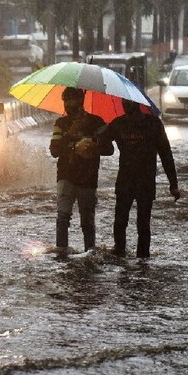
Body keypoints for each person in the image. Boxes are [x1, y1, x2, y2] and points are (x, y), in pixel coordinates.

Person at [99, 99, 180, 258]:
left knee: (142, 223)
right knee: (121, 221)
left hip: (144, 181)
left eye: (128, 103)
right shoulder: (118, 123)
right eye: (124, 103)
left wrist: (173, 184)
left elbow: (166, 154)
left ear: (137, 104)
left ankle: (141, 257)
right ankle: (121, 253)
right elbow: (103, 142)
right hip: (127, 181)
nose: (126, 105)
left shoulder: (153, 123)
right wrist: (100, 138)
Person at [49, 87, 113, 256]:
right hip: (65, 176)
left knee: (87, 220)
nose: (68, 106)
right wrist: (70, 135)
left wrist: (93, 144)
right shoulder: (60, 124)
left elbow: (109, 149)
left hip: (88, 177)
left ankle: (89, 253)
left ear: (81, 102)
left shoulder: (96, 122)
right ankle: (61, 253)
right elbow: (54, 150)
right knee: (63, 217)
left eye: (71, 101)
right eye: (65, 101)